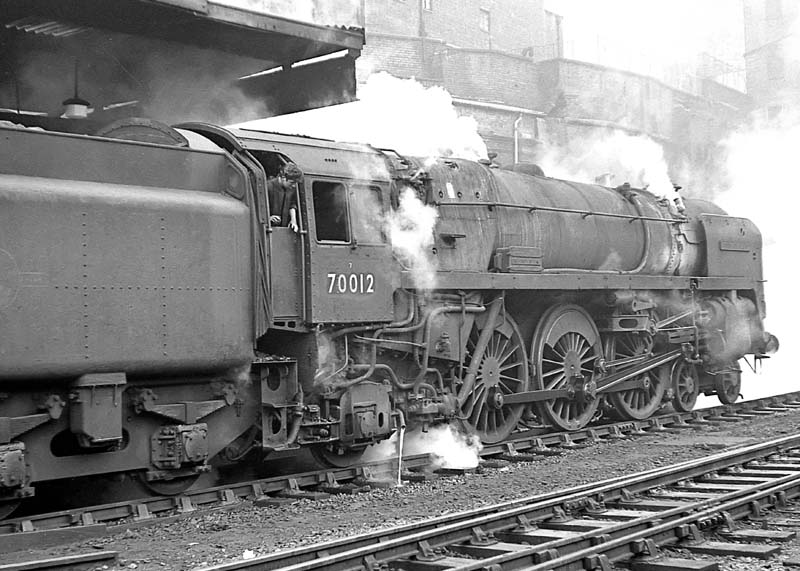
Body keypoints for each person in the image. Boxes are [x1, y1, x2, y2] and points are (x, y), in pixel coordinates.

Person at [267, 163, 302, 232]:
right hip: (269, 229)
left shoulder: (290, 189)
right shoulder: (268, 187)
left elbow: (292, 204)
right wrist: (268, 218)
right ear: (283, 178)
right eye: (292, 182)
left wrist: (293, 221)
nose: (294, 186)